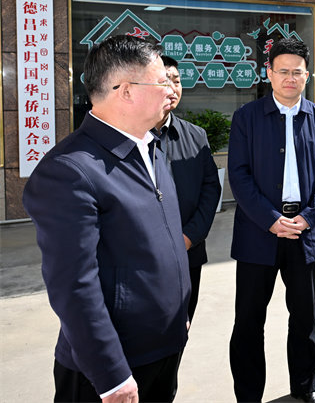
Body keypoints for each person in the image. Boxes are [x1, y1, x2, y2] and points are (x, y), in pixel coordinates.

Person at [23, 35, 190, 402]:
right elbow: (73, 286)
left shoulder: (151, 147)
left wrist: (177, 317)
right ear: (126, 91)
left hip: (163, 347)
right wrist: (110, 375)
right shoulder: (69, 171)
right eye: (162, 80)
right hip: (111, 368)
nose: (172, 89)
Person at [227, 37, 315, 403]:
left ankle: (305, 388)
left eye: (298, 72)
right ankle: (248, 395)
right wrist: (271, 219)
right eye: (283, 71)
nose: (291, 78)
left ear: (309, 75)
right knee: (248, 322)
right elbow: (238, 175)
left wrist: (307, 218)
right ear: (269, 73)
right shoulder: (247, 118)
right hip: (259, 231)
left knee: (305, 318)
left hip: (303, 232)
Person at [152, 55, 221, 322]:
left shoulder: (195, 136)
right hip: (142, 262)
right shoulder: (129, 136)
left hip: (188, 255)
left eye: (177, 81)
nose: (173, 88)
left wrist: (188, 238)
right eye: (164, 81)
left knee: (182, 326)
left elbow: (210, 190)